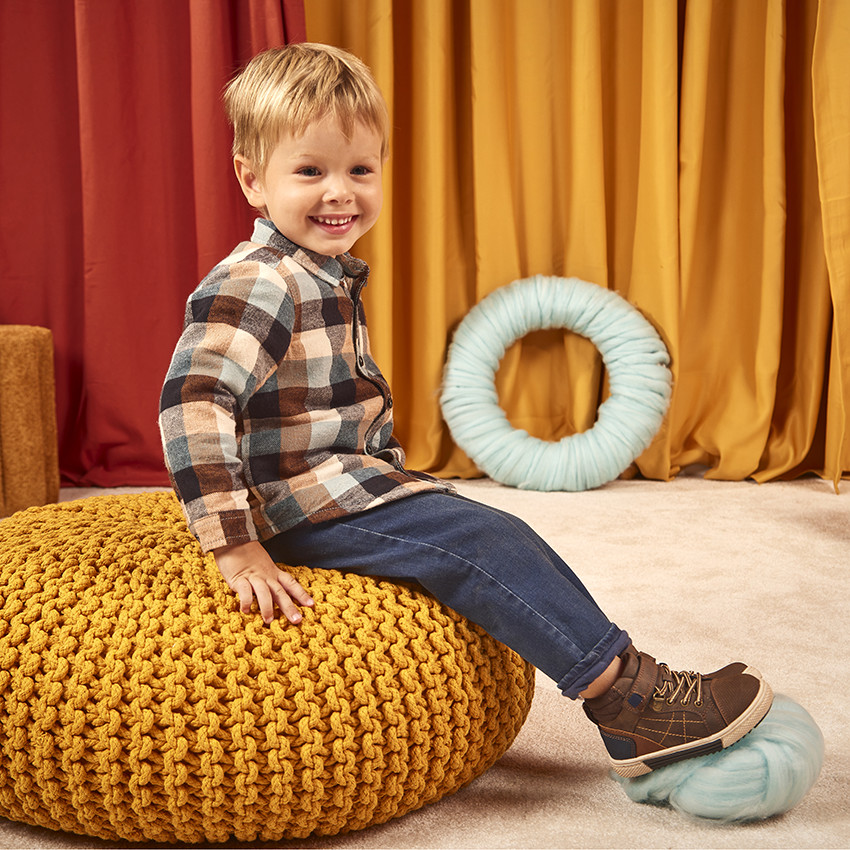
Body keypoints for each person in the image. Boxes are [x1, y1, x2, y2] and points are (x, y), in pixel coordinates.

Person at [158, 42, 773, 779]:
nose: (339, 193)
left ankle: (630, 680)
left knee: (488, 529)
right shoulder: (261, 281)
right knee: (482, 541)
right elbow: (193, 399)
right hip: (302, 507)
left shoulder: (318, 271)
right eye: (310, 171)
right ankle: (630, 705)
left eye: (360, 170)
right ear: (252, 180)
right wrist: (233, 543)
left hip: (343, 487)